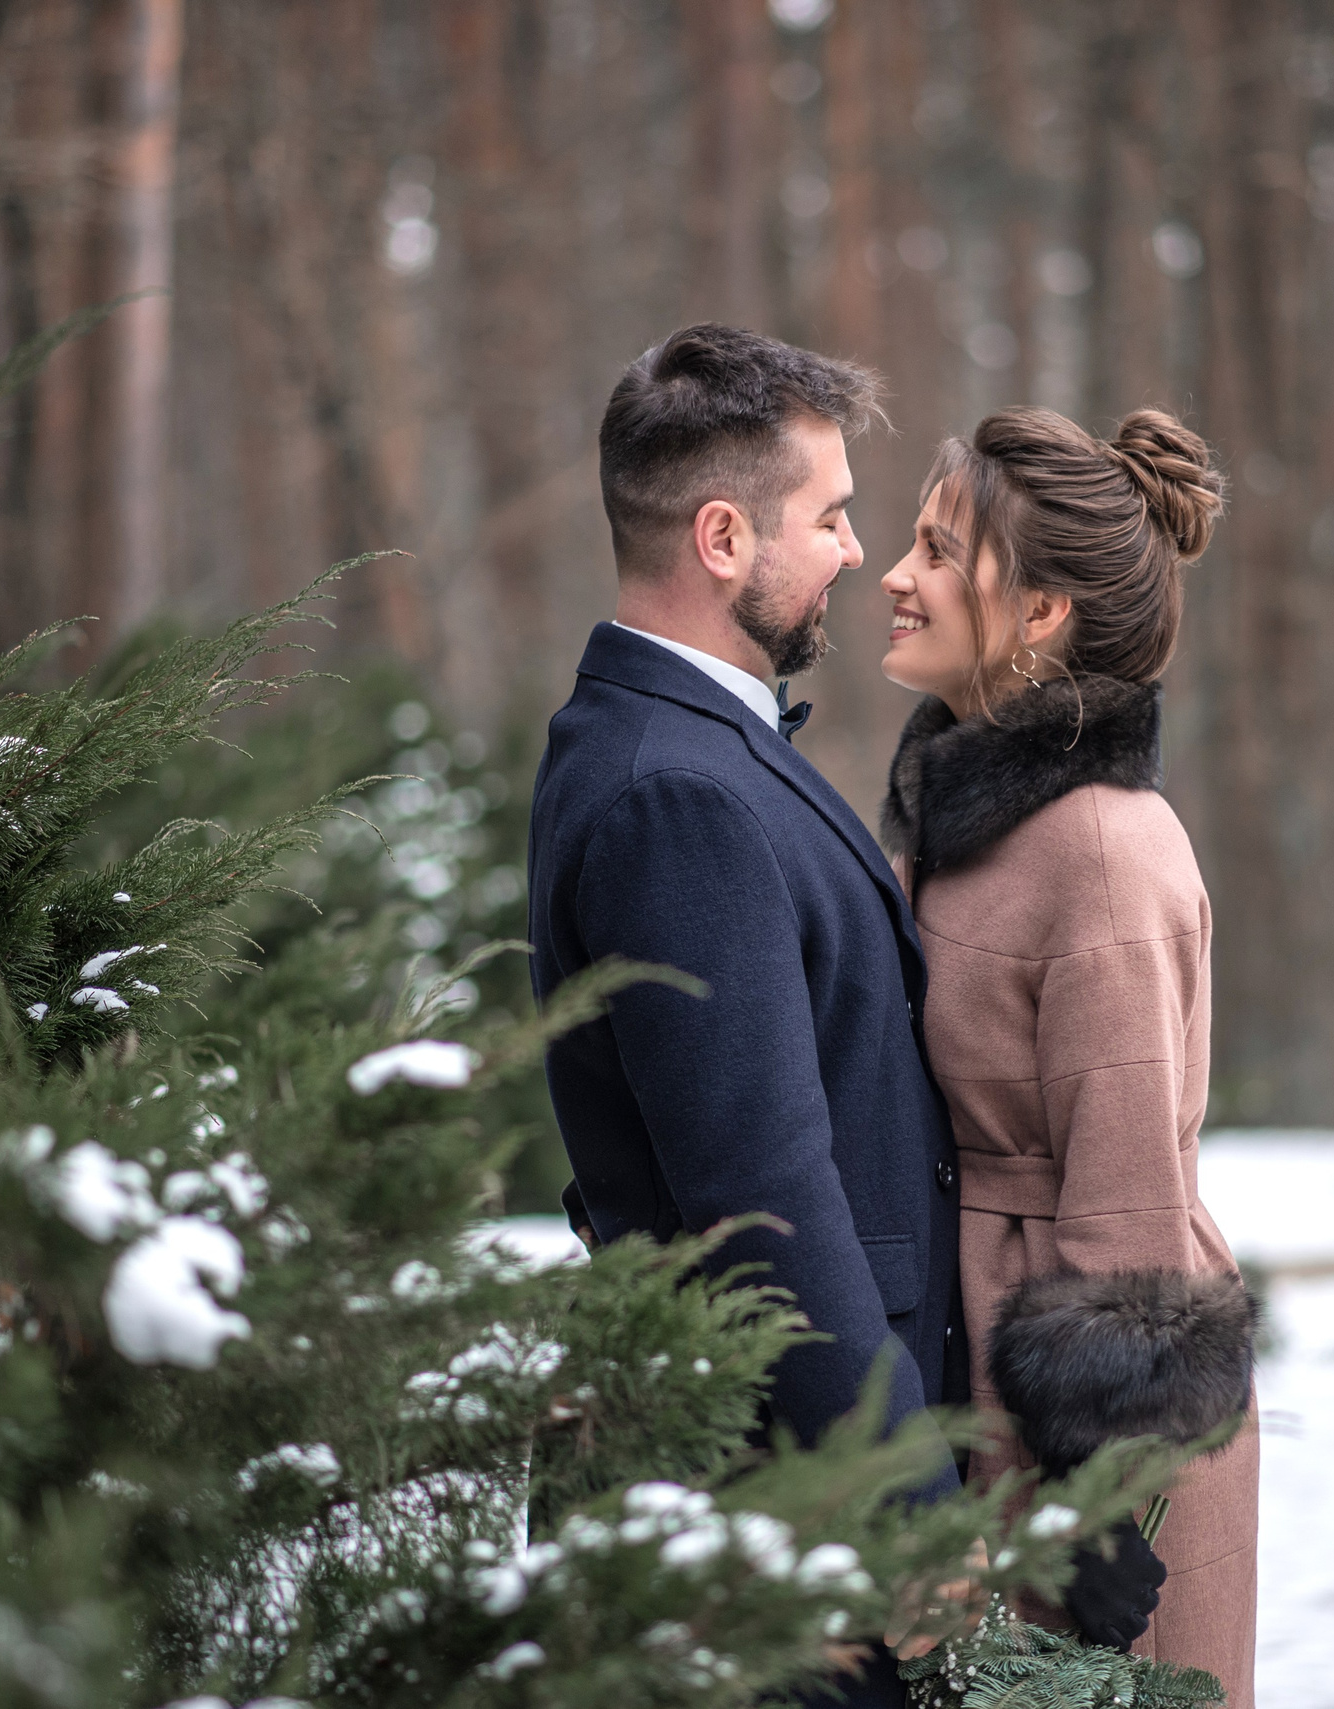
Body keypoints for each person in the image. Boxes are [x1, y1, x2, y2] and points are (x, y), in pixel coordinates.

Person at [526, 324, 968, 1706]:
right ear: (723, 537)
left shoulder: (666, 741)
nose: (855, 549)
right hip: (775, 1507)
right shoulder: (679, 794)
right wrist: (908, 1499)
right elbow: (764, 1199)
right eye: (830, 515)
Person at [876, 405, 1260, 1704]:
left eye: (938, 550)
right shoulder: (968, 816)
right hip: (988, 1383)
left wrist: (1100, 1498)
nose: (894, 573)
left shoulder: (1101, 847)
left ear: (1040, 614)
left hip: (1099, 1432)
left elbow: (1126, 1192)